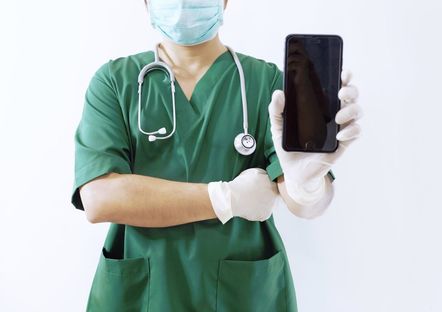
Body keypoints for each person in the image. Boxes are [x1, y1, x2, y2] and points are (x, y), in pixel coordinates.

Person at [70, 0, 362, 311]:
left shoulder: (267, 84)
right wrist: (224, 198)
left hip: (243, 296)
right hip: (143, 295)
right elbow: (100, 198)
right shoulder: (115, 82)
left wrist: (307, 185)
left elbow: (304, 203)